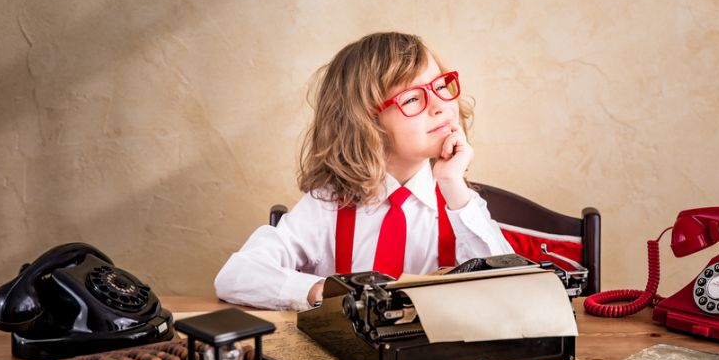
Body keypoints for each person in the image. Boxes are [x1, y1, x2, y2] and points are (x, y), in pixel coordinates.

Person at [214, 32, 513, 310]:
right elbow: (236, 276)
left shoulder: (458, 206)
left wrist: (453, 185)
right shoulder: (328, 205)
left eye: (439, 86)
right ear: (366, 124)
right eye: (411, 99)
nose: (439, 105)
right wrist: (326, 291)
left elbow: (512, 291)